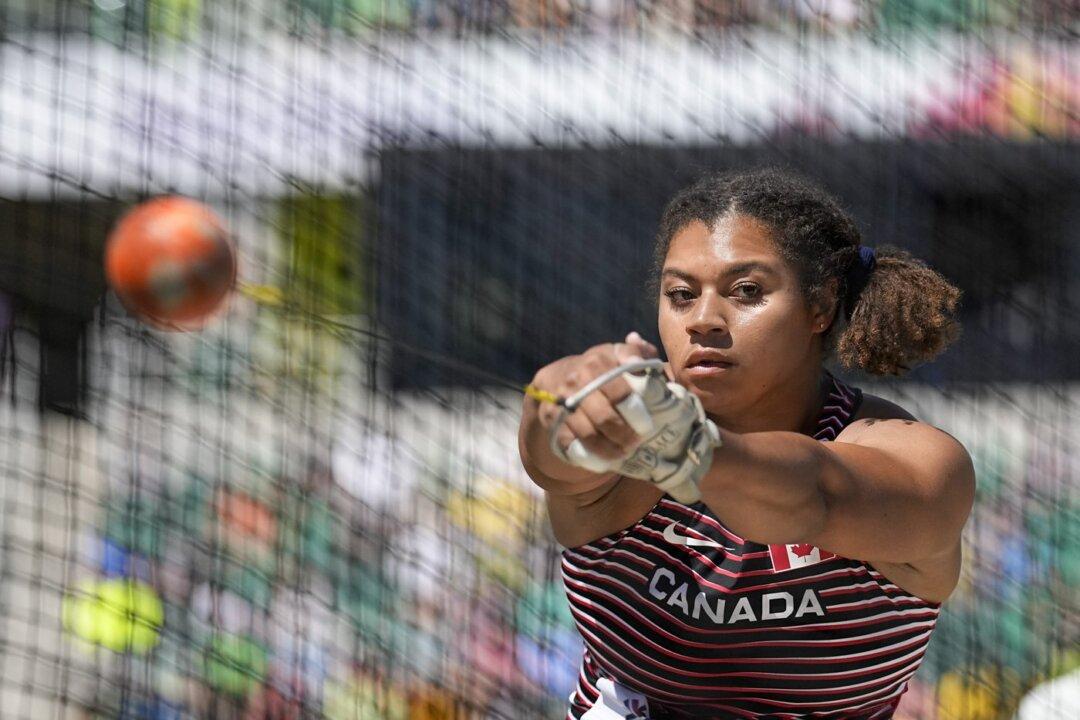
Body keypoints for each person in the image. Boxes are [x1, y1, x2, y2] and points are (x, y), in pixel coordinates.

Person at [518, 168, 975, 719]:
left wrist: (695, 450)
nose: (704, 320)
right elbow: (551, 446)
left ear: (821, 306)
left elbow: (814, 494)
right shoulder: (623, 426)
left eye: (747, 291)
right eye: (681, 295)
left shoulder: (918, 458)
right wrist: (564, 391)